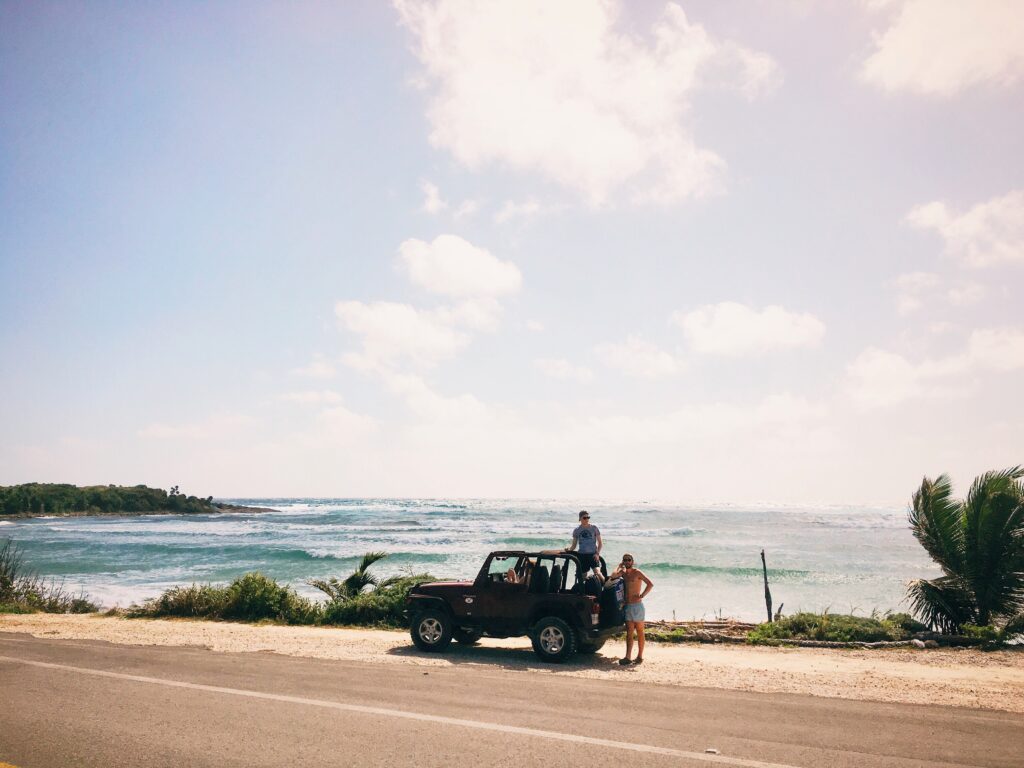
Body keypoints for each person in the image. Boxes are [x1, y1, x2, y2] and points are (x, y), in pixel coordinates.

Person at [609, 553, 652, 665]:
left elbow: (650, 584)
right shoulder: (623, 573)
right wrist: (619, 566)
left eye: (629, 560)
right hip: (627, 606)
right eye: (625, 560)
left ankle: (639, 656)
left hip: (637, 606)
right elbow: (613, 576)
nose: (627, 561)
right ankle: (627, 657)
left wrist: (642, 595)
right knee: (629, 633)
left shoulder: (637, 572)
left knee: (640, 632)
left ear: (632, 561)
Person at [566, 510, 603, 583]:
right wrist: (569, 549)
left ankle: (605, 589)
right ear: (580, 519)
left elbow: (600, 543)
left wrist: (597, 553)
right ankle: (583, 592)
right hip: (582, 555)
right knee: (582, 578)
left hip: (593, 555)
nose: (587, 519)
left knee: (598, 574)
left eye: (588, 517)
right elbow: (574, 545)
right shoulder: (577, 530)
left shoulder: (594, 528)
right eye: (584, 518)